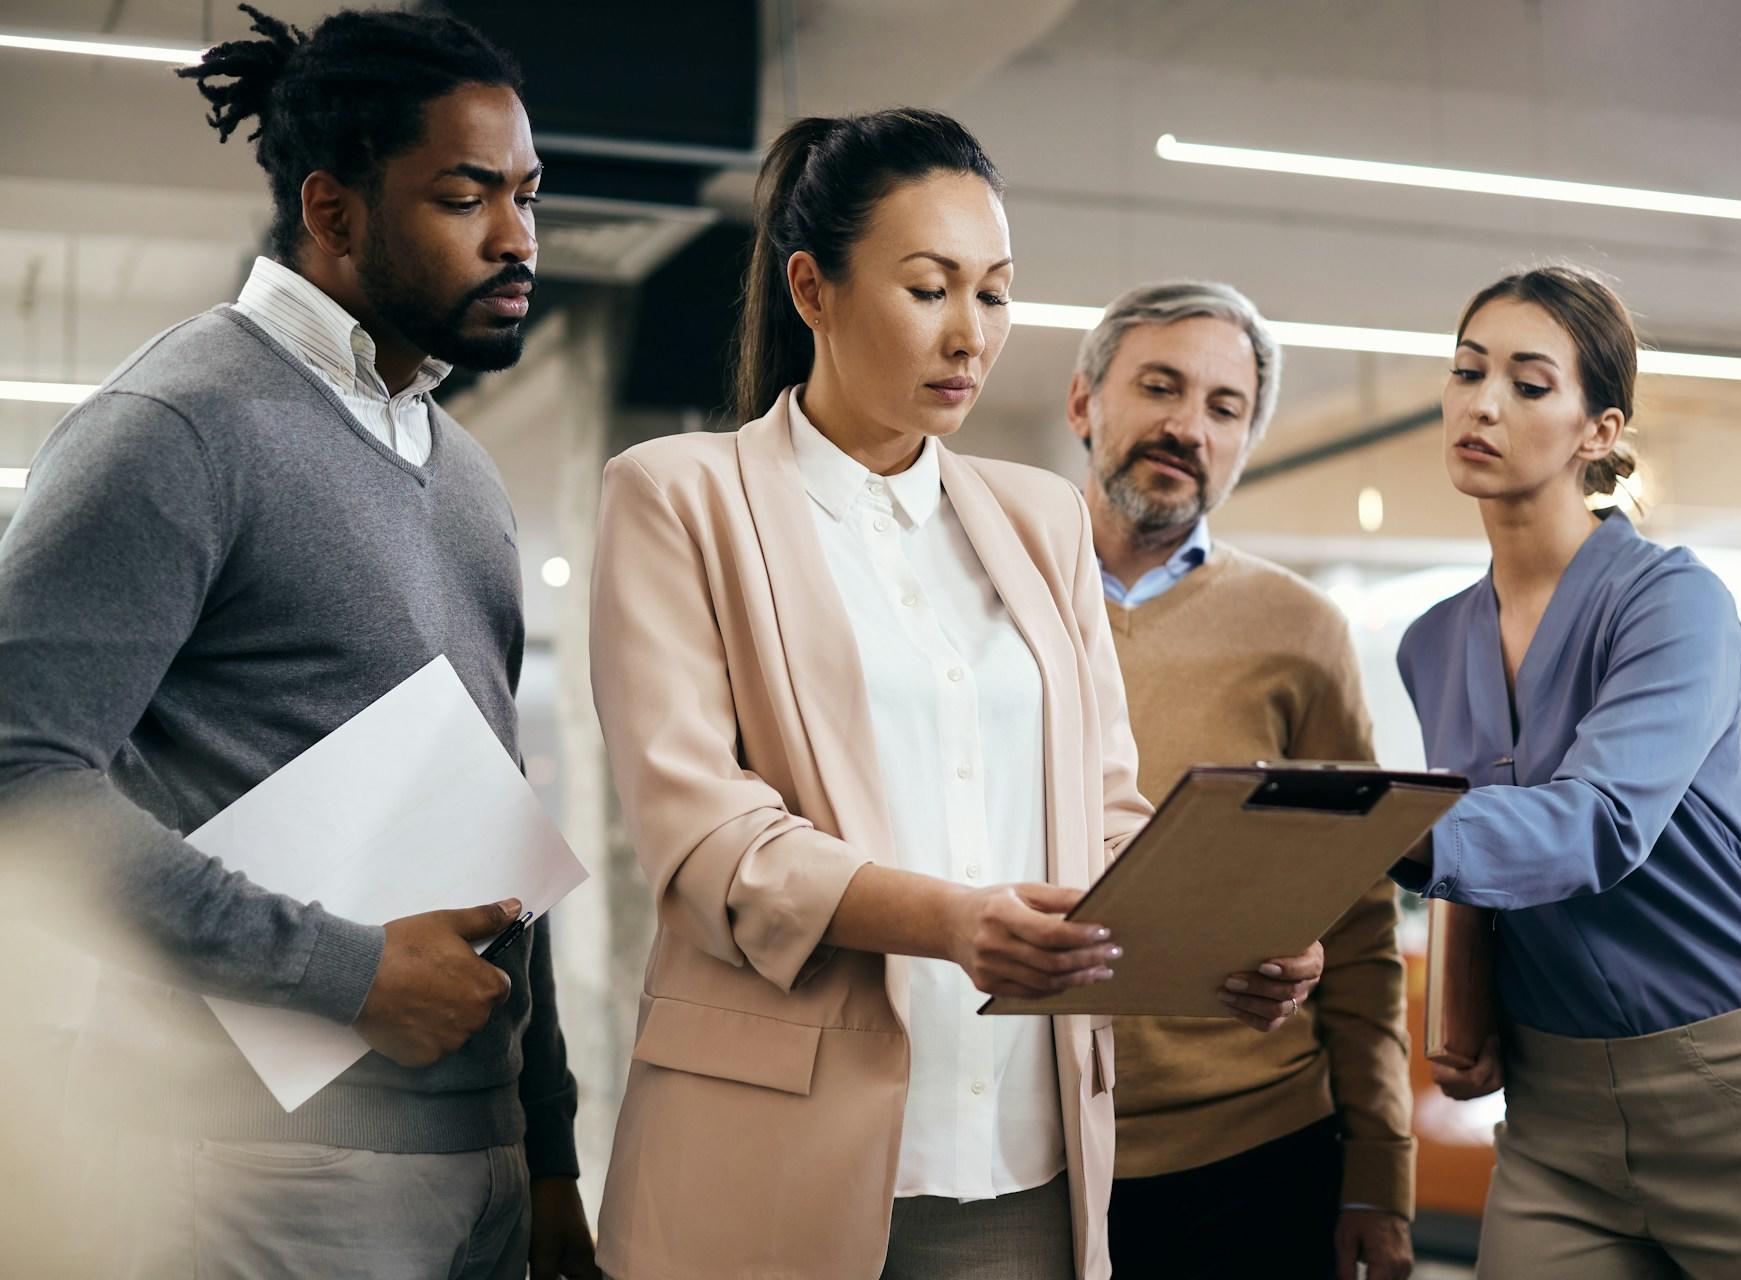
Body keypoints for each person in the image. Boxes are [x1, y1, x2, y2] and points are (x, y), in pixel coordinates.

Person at [587, 109, 1323, 1280]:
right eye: (929, 288)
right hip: (778, 1143)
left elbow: (1104, 808)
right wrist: (947, 921)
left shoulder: (1038, 519)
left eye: (994, 293)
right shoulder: (682, 497)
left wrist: (1218, 929)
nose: (969, 336)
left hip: (1022, 1154)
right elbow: (703, 833)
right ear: (812, 291)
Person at [0, 7, 596, 1277]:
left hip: (479, 1160)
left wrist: (546, 1146)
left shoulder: (466, 472)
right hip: (266, 1169)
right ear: (332, 212)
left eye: (528, 195)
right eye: (466, 195)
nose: (519, 238)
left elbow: (494, 832)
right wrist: (347, 969)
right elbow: (19, 775)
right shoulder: (182, 422)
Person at [1393, 264, 1741, 1279]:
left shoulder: (1674, 603)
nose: (1482, 401)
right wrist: (1462, 1004)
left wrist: (1359, 832)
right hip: (1554, 1118)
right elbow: (1471, 839)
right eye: (1466, 370)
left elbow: (1599, 821)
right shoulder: (1432, 640)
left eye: (1530, 383)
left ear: (1599, 430)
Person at [1064, 281, 1414, 1280]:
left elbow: (1356, 916)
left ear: (1248, 439)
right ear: (1084, 401)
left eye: (1225, 407)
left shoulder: (1302, 629)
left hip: (1254, 1154)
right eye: (1159, 387)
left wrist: (1380, 1169)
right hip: (1024, 1139)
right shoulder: (998, 597)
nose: (1187, 426)